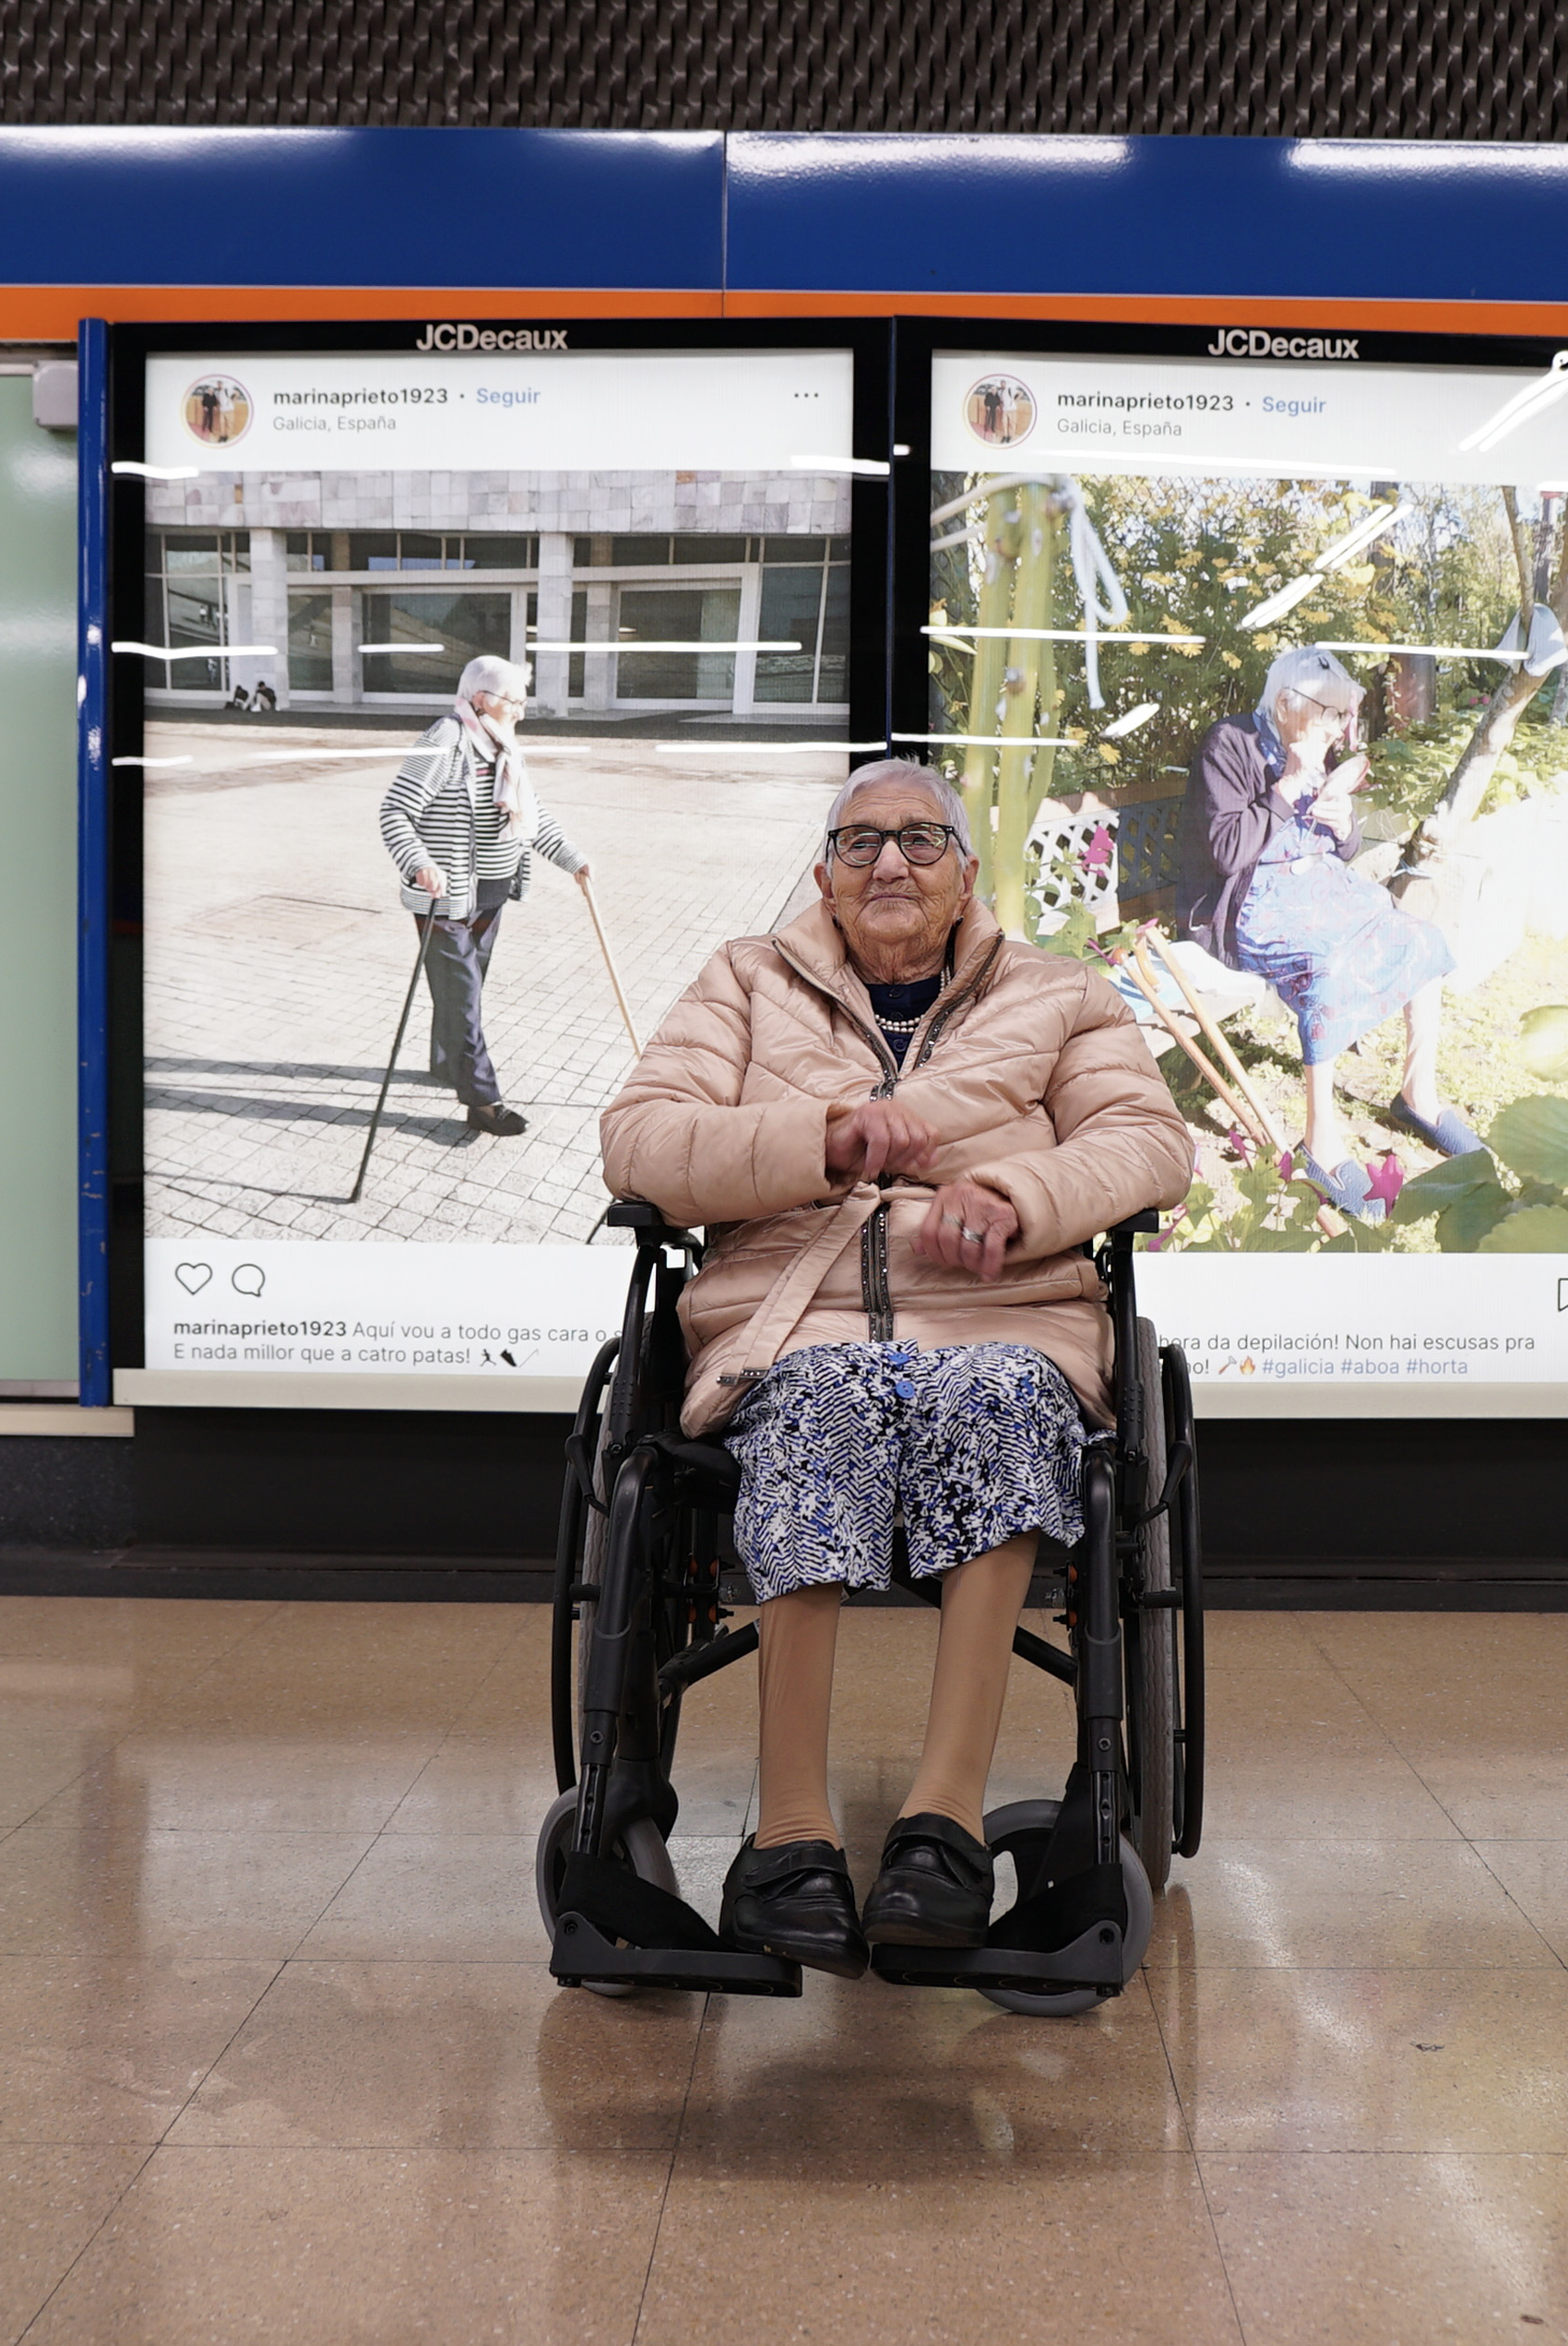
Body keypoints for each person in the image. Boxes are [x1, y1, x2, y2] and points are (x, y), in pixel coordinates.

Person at [600, 760, 1190, 1976]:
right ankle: (790, 1836)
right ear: (822, 874)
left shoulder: (1061, 994)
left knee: (997, 1394)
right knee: (824, 1401)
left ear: (966, 872)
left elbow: (1147, 1142)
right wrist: (820, 1139)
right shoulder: (745, 980)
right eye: (858, 841)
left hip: (998, 1315)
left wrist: (1017, 1192)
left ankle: (943, 1827)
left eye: (920, 839)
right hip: (795, 1325)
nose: (888, 862)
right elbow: (641, 1141)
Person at [1180, 646, 1482, 1211]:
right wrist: (1286, 787)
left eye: (1345, 715)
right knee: (1329, 966)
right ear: (1286, 705)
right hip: (1249, 906)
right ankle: (1320, 1142)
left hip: (1317, 888)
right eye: (1332, 714)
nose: (1341, 727)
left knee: (1420, 937)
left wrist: (1345, 827)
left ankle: (1418, 1096)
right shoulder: (1229, 744)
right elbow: (1225, 853)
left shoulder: (1318, 746)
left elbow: (1338, 848)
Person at [380, 654, 589, 1137]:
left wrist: (573, 859)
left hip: (491, 893)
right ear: (481, 699)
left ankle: (445, 1064)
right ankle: (482, 1101)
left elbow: (533, 815)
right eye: (514, 701)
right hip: (445, 898)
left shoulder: (504, 745)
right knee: (464, 998)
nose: (522, 711)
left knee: (461, 992)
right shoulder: (446, 740)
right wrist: (420, 862)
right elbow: (395, 811)